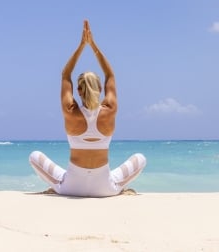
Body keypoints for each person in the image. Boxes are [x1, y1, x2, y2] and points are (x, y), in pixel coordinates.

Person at [29, 20, 146, 197]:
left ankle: (57, 187)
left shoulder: (70, 111)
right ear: (100, 89)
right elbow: (110, 74)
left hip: (71, 187)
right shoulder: (110, 109)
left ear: (78, 91)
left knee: (34, 156)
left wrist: (81, 46)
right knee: (140, 159)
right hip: (105, 189)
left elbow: (65, 74)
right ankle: (119, 188)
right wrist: (93, 46)